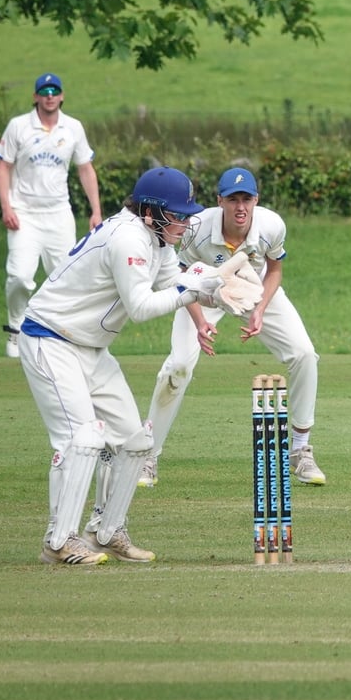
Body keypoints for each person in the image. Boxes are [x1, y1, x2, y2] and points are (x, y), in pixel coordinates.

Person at [17, 166, 263, 566]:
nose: (185, 222)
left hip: (91, 347)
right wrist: (192, 291)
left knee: (135, 441)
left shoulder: (158, 242)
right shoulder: (127, 237)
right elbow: (143, 306)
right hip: (49, 338)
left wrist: (219, 288)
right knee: (83, 439)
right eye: (177, 214)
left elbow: (178, 283)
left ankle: (107, 531)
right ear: (150, 212)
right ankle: (59, 541)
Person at [139, 166, 325, 489]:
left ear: (256, 199)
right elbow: (178, 277)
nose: (240, 207)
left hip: (250, 292)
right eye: (232, 199)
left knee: (305, 354)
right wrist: (199, 323)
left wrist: (261, 310)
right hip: (201, 292)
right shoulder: (195, 227)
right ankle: (147, 455)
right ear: (219, 201)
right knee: (178, 366)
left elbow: (275, 270)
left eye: (246, 199)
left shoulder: (271, 226)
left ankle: (300, 450)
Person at [0, 72, 102, 358]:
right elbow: (3, 167)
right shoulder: (18, 126)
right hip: (24, 214)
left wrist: (96, 211)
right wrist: (6, 207)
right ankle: (16, 330)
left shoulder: (73, 128)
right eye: (45, 91)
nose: (50, 95)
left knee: (65, 277)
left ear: (62, 95)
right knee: (19, 276)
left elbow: (85, 168)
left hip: (58, 214)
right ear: (36, 97)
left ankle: (61, 333)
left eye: (55, 90)